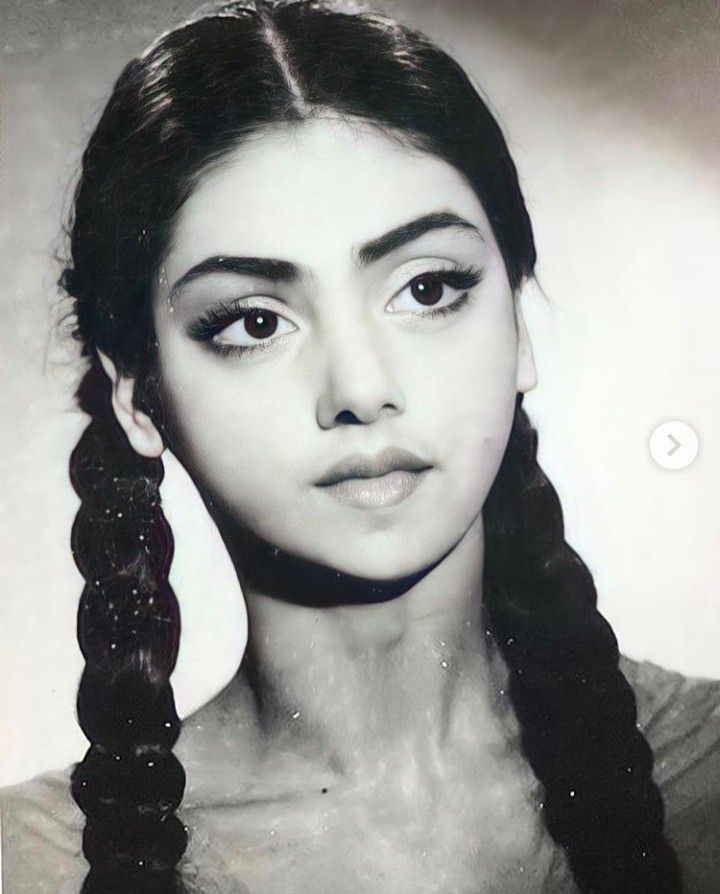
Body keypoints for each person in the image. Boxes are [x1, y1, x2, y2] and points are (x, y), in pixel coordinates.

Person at [1, 1, 719, 892]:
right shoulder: (29, 866)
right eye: (256, 321)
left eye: (426, 289)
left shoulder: (708, 776)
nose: (360, 388)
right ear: (137, 396)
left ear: (520, 327)